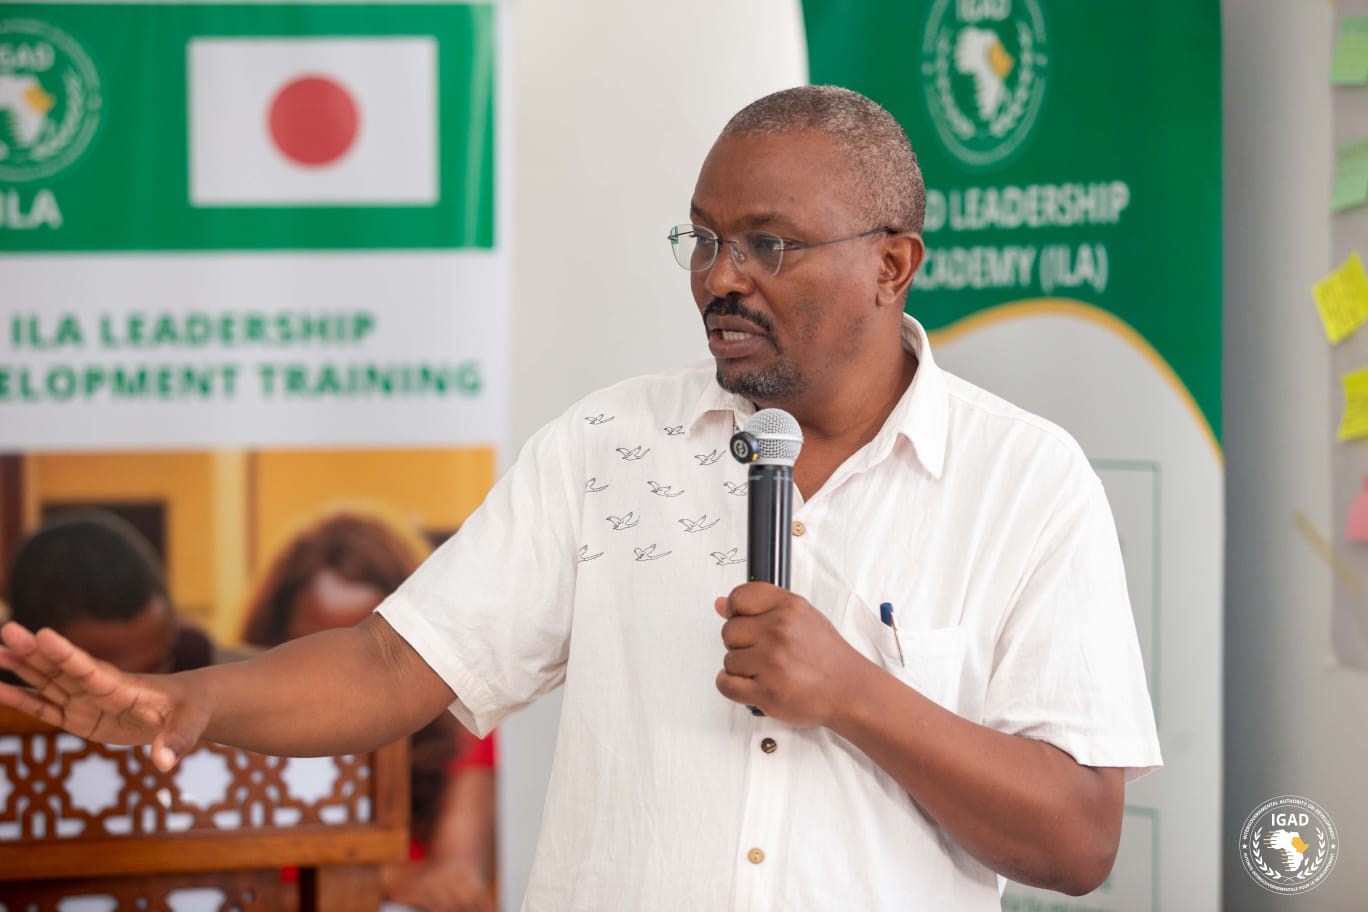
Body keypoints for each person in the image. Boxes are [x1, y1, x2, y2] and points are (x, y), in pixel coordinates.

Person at [0, 86, 1161, 910]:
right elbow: (391, 665)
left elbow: (1078, 841)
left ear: (891, 265)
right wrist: (188, 705)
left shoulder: (1026, 482)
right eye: (703, 239)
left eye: (768, 245)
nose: (719, 278)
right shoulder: (609, 445)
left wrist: (854, 693)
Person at [242, 509, 497, 912]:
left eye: (370, 655)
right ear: (274, 641)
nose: (340, 678)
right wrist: (392, 879)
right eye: (313, 649)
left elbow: (455, 886)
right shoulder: (238, 738)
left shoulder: (461, 728)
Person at [3, 509, 221, 678]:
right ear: (31, 652)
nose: (139, 700)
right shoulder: (7, 673)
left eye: (157, 668)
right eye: (106, 679)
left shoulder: (191, 667)